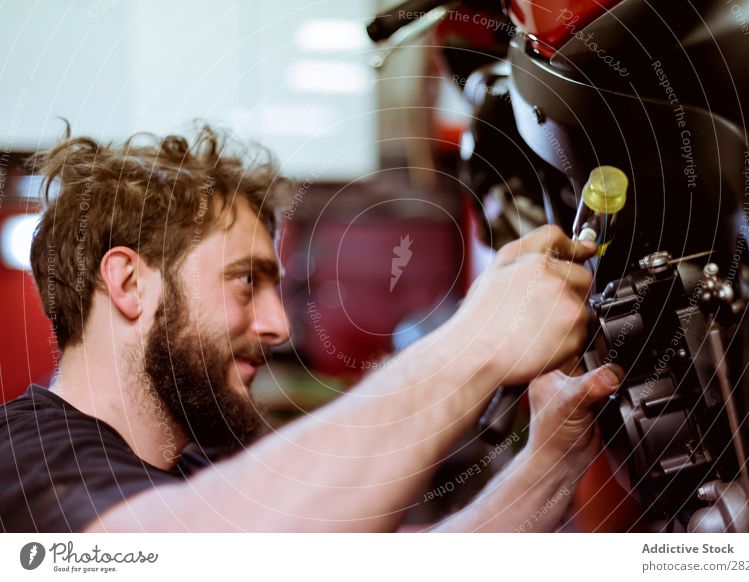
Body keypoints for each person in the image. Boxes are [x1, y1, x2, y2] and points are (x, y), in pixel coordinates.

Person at [0, 125, 622, 532]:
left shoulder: (204, 469)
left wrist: (553, 454)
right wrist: (477, 339)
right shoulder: (21, 459)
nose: (276, 326)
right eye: (246, 281)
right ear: (129, 284)